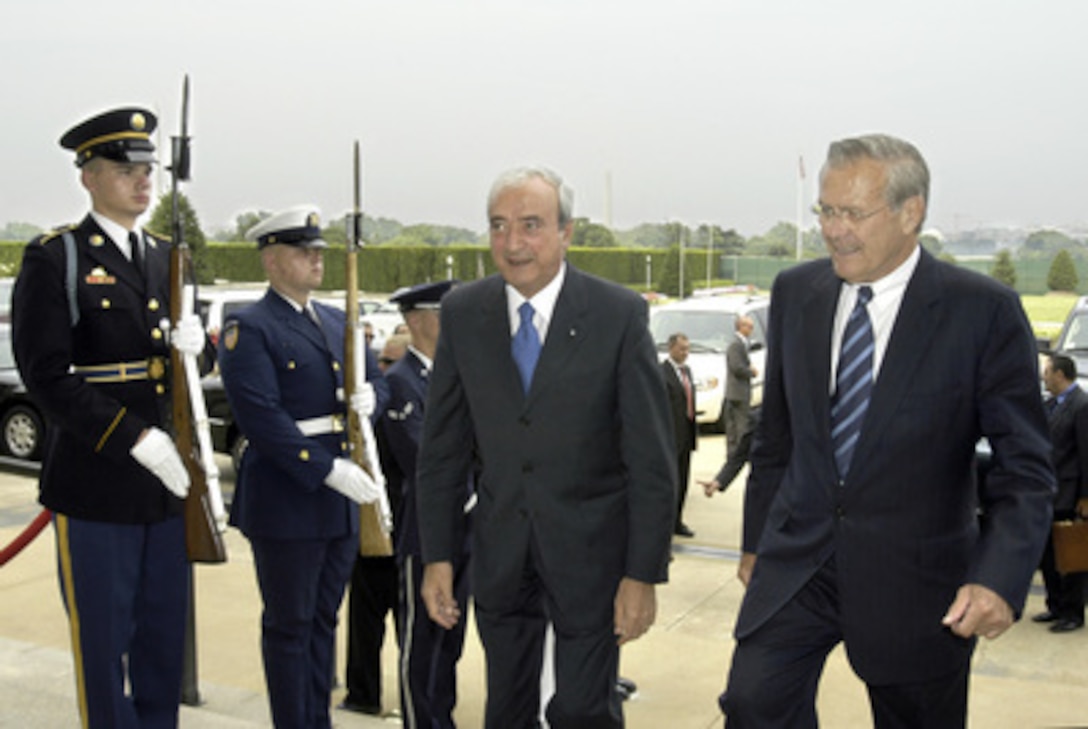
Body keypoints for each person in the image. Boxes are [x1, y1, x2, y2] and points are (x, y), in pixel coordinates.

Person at [720, 134, 1055, 728]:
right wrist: (755, 541)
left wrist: (999, 578)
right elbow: (778, 437)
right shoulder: (797, 292)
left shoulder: (983, 311)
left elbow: (1024, 466)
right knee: (753, 702)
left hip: (918, 582)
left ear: (911, 212)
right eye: (825, 209)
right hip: (799, 564)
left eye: (852, 213)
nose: (832, 229)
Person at [416, 166, 675, 728]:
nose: (513, 243)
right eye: (499, 226)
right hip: (502, 557)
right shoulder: (464, 313)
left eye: (531, 225)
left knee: (582, 710)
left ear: (567, 232)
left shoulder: (617, 315)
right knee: (506, 711)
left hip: (593, 560)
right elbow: (442, 450)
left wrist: (643, 574)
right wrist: (437, 557)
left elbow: (651, 459)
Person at [11, 106, 208, 728]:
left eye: (147, 168)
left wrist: (192, 357)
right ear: (88, 177)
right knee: (103, 650)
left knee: (160, 647)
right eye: (125, 169)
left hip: (165, 489)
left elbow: (171, 378)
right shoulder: (58, 258)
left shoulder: (166, 257)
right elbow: (46, 375)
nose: (142, 181)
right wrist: (134, 439)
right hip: (97, 482)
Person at [217, 205, 389, 729]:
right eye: (303, 251)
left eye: (318, 251)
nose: (317, 260)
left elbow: (379, 380)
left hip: (337, 499)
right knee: (290, 626)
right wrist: (326, 470)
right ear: (272, 261)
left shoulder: (339, 319)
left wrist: (371, 400)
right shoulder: (249, 326)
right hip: (289, 497)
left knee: (322, 621)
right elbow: (261, 418)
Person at [377, 279, 471, 729]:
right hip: (425, 533)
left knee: (450, 644)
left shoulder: (452, 377)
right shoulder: (401, 384)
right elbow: (424, 460)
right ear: (417, 320)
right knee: (425, 644)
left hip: (467, 529)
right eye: (444, 313)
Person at [1032, 353, 1088, 633]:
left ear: (1060, 375)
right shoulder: (1050, 405)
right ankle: (1054, 606)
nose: (1044, 377)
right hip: (1048, 492)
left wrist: (1085, 497)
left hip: (1069, 492)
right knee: (1049, 555)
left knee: (1071, 554)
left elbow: (1086, 454)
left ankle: (1073, 612)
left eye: (1047, 372)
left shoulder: (1082, 406)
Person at [700, 315, 758, 497]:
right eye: (749, 326)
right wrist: (751, 372)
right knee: (740, 429)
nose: (752, 330)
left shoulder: (742, 344)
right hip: (737, 393)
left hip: (740, 393)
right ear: (741, 327)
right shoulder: (736, 345)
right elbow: (737, 367)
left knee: (739, 428)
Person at [660, 332, 697, 537]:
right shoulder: (662, 372)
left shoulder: (687, 372)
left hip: (686, 436)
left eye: (687, 349)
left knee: (683, 482)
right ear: (671, 348)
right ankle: (665, 524)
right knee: (670, 485)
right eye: (682, 349)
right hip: (670, 438)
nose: (686, 353)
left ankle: (677, 521)